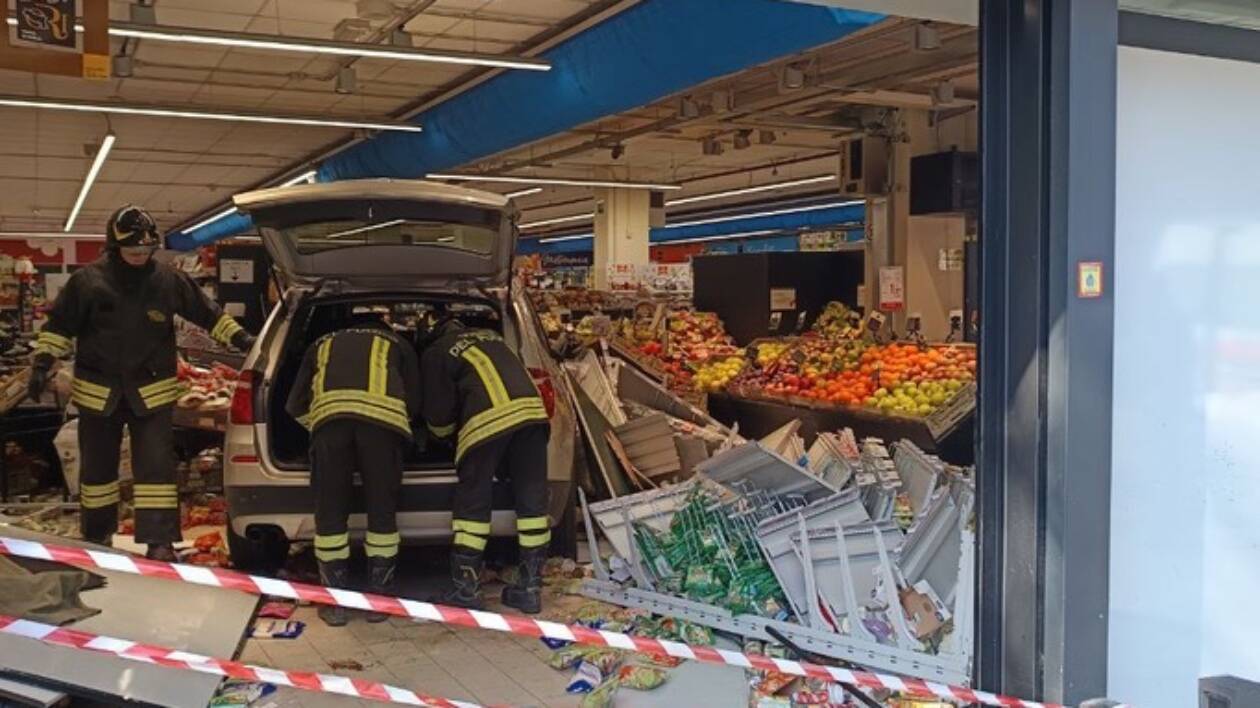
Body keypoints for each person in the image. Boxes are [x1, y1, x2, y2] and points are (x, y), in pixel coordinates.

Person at [28, 205, 254, 561]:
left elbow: (208, 313)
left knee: (156, 471)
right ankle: (98, 535)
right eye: (133, 251)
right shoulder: (87, 282)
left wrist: (241, 339)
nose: (140, 257)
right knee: (97, 473)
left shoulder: (168, 280)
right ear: (113, 246)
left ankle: (159, 542)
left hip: (152, 392)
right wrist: (42, 364)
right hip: (98, 393)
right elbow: (59, 327)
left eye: (146, 251)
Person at [285, 309, 421, 626]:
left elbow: (293, 404)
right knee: (382, 512)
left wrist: (318, 429)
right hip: (383, 430)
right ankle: (379, 598)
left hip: (330, 428)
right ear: (383, 327)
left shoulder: (320, 343)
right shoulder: (399, 344)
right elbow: (414, 403)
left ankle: (335, 603)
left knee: (330, 513)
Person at [419, 317, 551, 614]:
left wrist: (442, 440)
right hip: (532, 415)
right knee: (532, 502)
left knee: (473, 500)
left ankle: (466, 590)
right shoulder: (494, 337)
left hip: (486, 420)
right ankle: (529, 590)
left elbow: (438, 414)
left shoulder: (436, 352)